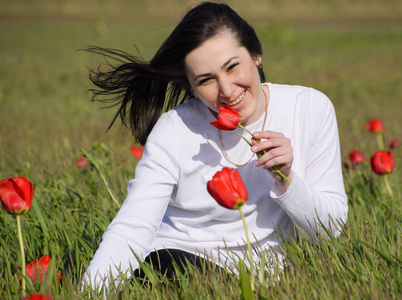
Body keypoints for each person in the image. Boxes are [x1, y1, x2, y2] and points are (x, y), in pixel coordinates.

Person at [82, 1, 348, 292]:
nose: (227, 90)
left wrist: (287, 179)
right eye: (206, 81)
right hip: (180, 266)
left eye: (232, 66)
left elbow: (330, 232)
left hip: (273, 276)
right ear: (192, 89)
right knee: (169, 265)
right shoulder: (173, 129)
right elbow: (132, 229)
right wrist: (89, 294)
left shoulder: (310, 108)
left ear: (256, 55)